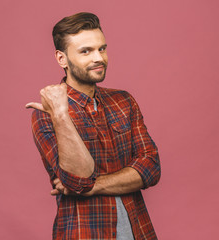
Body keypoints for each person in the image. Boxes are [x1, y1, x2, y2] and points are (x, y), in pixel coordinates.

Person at [26, 12, 161, 239]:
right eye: (85, 51)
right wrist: (61, 113)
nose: (99, 58)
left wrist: (93, 186)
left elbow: (151, 167)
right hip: (84, 233)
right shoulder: (47, 113)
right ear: (62, 59)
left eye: (102, 48)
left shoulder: (123, 101)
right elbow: (78, 179)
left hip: (139, 232)